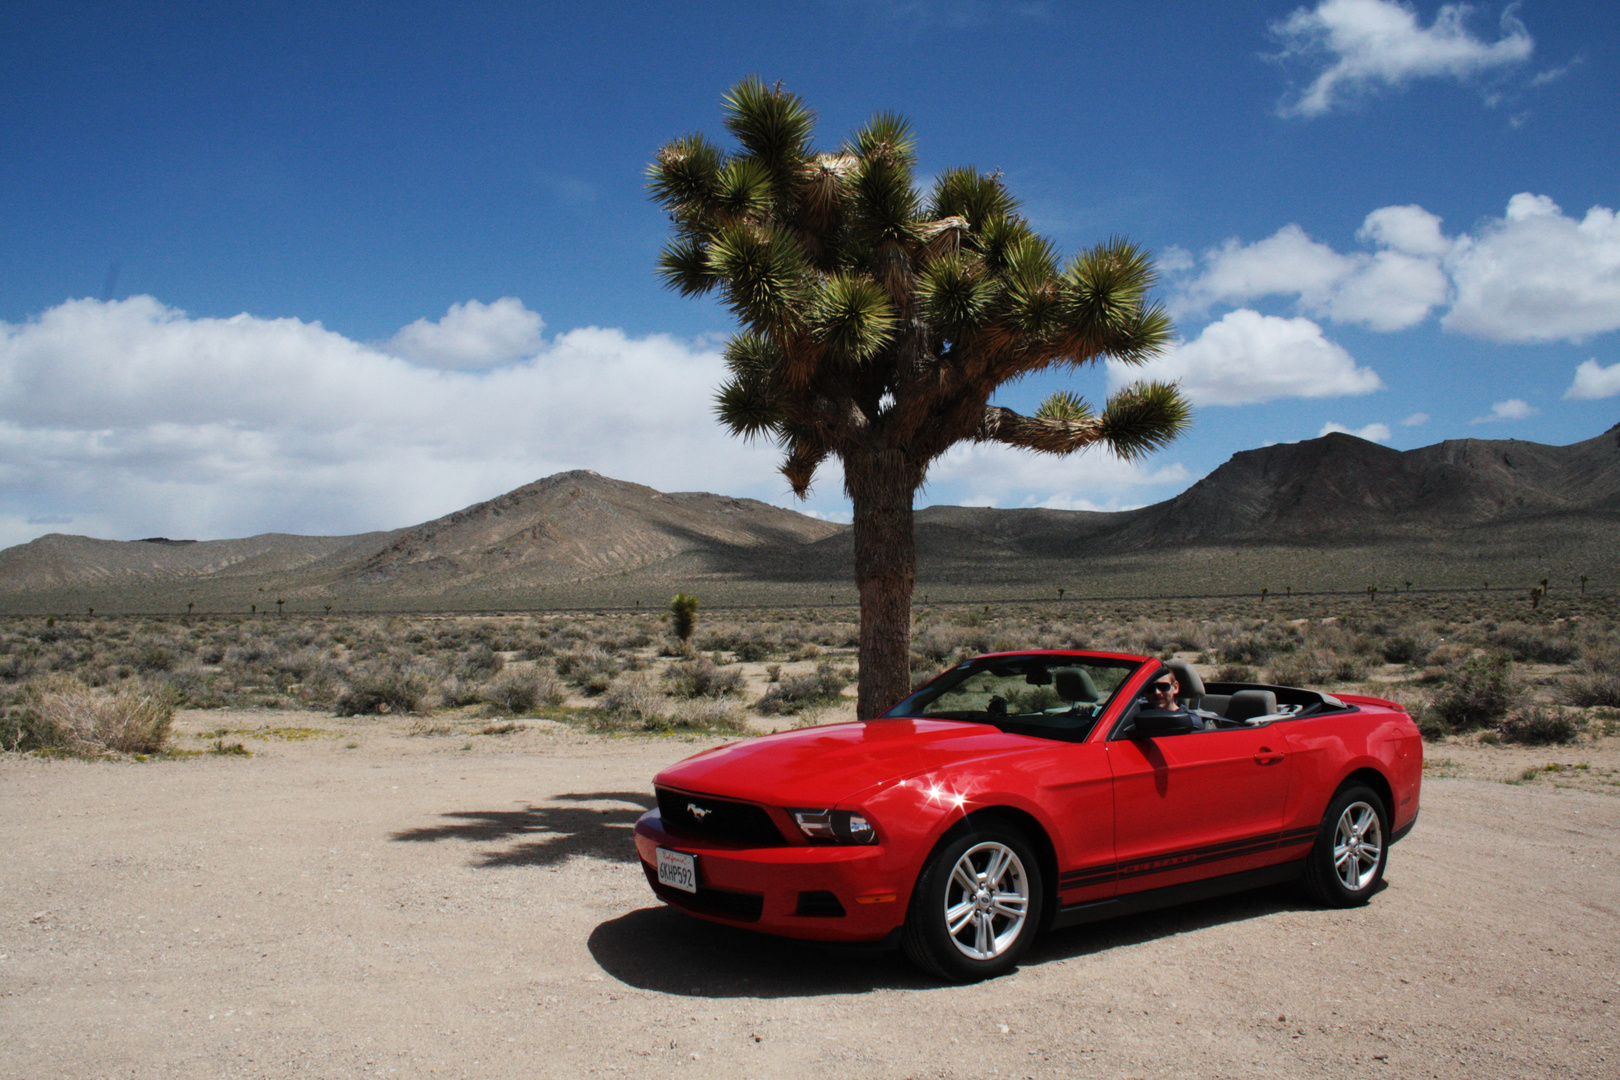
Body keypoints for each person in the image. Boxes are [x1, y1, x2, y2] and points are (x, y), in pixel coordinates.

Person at [1143, 671, 1219, 731]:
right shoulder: (1136, 712)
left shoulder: (1190, 721)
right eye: (1150, 688)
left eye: (1163, 687)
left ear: (1175, 687)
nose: (1157, 692)